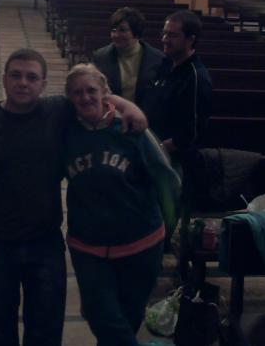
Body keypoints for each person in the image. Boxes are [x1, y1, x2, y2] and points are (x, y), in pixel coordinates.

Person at [0, 48, 149, 346]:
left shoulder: (57, 111)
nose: (23, 83)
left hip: (45, 243)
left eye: (31, 77)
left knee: (46, 326)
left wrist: (128, 107)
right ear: (4, 79)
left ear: (43, 84)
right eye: (16, 75)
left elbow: (91, 92)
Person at [64, 63, 181, 346]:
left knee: (128, 316)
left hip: (141, 242)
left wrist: (170, 230)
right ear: (69, 98)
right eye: (77, 93)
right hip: (88, 245)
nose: (85, 97)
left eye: (91, 90)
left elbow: (167, 180)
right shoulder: (63, 131)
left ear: (105, 92)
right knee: (100, 312)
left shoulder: (132, 128)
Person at [148, 10, 212, 157]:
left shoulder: (196, 77)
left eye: (172, 35)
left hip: (174, 158)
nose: (164, 39)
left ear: (190, 39)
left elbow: (192, 134)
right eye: (164, 33)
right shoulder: (166, 64)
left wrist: (157, 150)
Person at [92, 6, 165, 111]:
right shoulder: (101, 57)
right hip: (112, 116)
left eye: (122, 30)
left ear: (136, 33)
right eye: (113, 30)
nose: (115, 35)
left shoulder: (157, 59)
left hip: (146, 116)